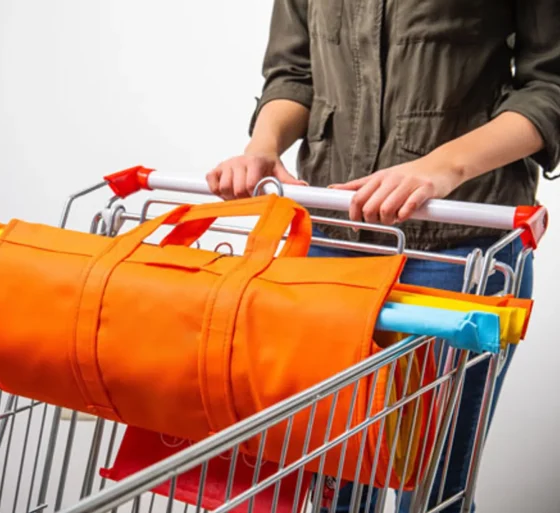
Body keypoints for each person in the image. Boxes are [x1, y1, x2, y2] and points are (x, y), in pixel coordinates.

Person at [207, 1, 559, 512]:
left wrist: (442, 167)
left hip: (460, 246)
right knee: (336, 481)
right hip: (336, 244)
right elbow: (294, 72)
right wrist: (265, 143)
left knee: (436, 490)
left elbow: (549, 87)